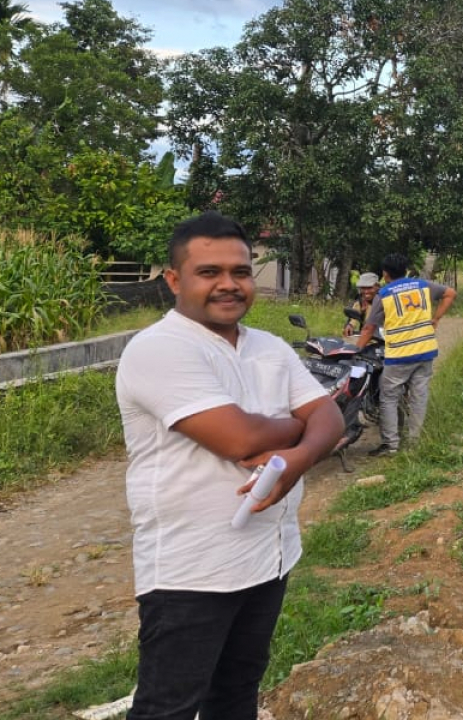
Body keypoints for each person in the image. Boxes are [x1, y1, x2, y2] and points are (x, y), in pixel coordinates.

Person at [115, 210, 344, 720]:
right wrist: (293, 423)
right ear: (174, 280)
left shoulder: (269, 347)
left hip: (270, 556)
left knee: (237, 694)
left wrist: (298, 457)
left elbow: (330, 415)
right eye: (209, 272)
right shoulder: (158, 349)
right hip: (192, 570)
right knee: (168, 708)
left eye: (240, 272)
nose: (229, 285)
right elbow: (239, 439)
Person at [355, 253, 456, 456]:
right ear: (404, 269)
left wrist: (355, 351)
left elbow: (368, 329)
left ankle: (391, 445)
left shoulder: (384, 294)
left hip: (400, 354)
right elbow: (450, 293)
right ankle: (413, 443)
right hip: (426, 351)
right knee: (419, 396)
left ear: (385, 274)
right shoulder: (422, 285)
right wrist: (436, 319)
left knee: (389, 396)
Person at [343, 272, 381, 336]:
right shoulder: (360, 301)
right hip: (366, 336)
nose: (366, 291)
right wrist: (350, 325)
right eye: (363, 288)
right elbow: (354, 315)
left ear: (377, 287)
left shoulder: (385, 300)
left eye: (369, 288)